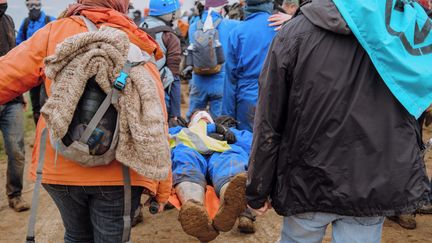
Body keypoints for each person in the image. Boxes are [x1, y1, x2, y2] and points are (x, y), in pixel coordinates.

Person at [246, 0, 430, 242]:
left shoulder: (296, 32)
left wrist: (257, 188)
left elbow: (269, 118)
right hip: (372, 180)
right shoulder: (408, 35)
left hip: (307, 180)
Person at [0, 0, 172, 242]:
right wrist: (162, 184)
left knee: (75, 235)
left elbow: (6, 75)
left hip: (59, 166)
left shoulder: (53, 32)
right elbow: (156, 118)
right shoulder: (136, 41)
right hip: (119, 175)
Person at [171, 111, 251, 242]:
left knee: (231, 159)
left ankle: (228, 202)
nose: (202, 117)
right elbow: (161, 139)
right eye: (198, 116)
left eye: (206, 118)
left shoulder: (227, 130)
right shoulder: (182, 130)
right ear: (190, 122)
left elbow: (251, 142)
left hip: (221, 151)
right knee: (185, 159)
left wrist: (231, 134)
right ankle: (193, 207)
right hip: (191, 151)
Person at [222, 0, 277, 132]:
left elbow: (230, 79)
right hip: (276, 97)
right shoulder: (281, 27)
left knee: (247, 145)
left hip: (246, 101)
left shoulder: (237, 32)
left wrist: (227, 117)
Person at [185, 0, 239, 119]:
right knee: (218, 122)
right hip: (220, 80)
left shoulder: (193, 26)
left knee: (193, 118)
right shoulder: (232, 25)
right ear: (222, 9)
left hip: (198, 80)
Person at [0, 0, 30, 213]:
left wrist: (20, 92)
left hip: (12, 99)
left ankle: (15, 195)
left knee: (17, 151)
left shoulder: (9, 20)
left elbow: (15, 58)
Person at [142, 0, 182, 126]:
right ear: (171, 14)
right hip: (160, 95)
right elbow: (174, 78)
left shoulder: (137, 28)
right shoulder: (169, 36)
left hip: (137, 90)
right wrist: (175, 114)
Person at [16, 0, 55, 125]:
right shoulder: (26, 23)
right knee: (36, 107)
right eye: (30, 5)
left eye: (36, 4)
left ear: (41, 4)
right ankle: (39, 136)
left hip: (50, 72)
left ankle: (52, 135)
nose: (33, 8)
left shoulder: (51, 21)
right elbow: (18, 45)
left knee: (50, 103)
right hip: (32, 73)